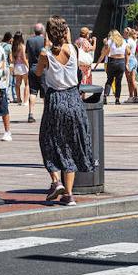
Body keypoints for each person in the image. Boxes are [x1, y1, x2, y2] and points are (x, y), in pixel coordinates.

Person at [35, 19, 96, 206]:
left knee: (48, 140)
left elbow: (38, 73)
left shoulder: (45, 54)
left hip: (55, 100)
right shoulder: (73, 49)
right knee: (70, 144)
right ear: (65, 32)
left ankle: (55, 180)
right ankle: (69, 195)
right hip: (73, 99)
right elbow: (81, 62)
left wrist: (46, 47)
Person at [94, 29, 129, 105]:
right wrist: (127, 63)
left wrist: (97, 63)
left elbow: (103, 54)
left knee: (109, 80)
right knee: (118, 81)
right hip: (121, 62)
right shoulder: (124, 41)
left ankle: (105, 96)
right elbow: (127, 53)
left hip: (112, 61)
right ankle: (117, 99)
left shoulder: (110, 42)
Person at [25, 23, 46, 123]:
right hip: (43, 69)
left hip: (32, 68)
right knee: (45, 93)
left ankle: (30, 114)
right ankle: (47, 114)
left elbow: (26, 55)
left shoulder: (29, 41)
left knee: (33, 92)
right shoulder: (45, 41)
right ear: (42, 30)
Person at [11, 31, 29, 105]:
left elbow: (13, 59)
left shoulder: (13, 46)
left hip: (17, 66)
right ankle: (25, 101)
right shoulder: (22, 46)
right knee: (26, 84)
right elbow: (24, 59)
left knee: (17, 84)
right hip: (23, 66)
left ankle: (19, 100)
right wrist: (28, 66)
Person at [123, 27, 138, 103]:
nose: (123, 34)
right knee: (133, 79)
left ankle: (131, 96)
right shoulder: (133, 41)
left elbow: (127, 53)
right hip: (134, 59)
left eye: (124, 32)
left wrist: (126, 63)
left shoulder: (126, 42)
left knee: (130, 80)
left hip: (129, 60)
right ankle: (135, 96)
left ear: (127, 33)